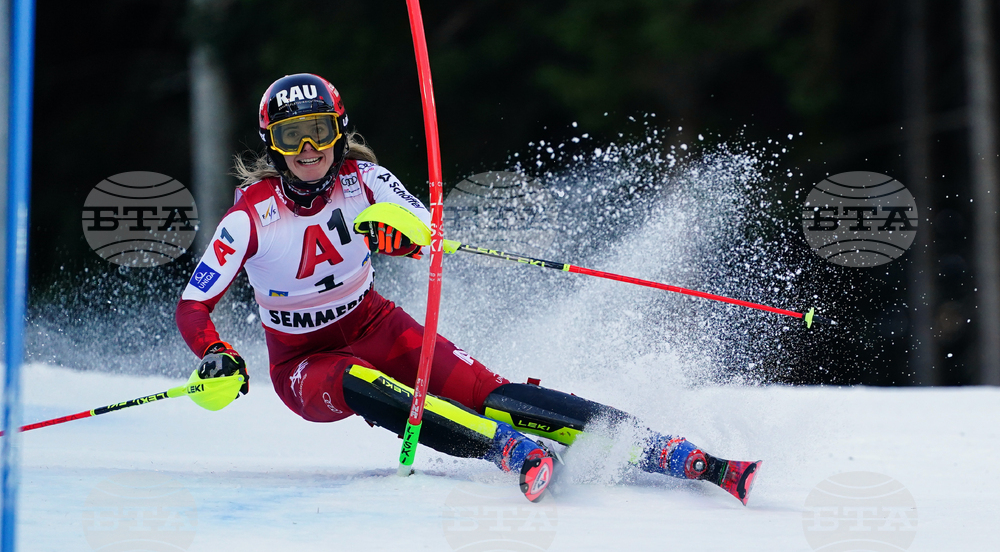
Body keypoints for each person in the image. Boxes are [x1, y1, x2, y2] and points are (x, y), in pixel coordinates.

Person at [176, 72, 761, 504]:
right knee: (362, 382)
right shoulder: (251, 217)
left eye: (319, 132)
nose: (308, 150)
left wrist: (404, 237)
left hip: (376, 324)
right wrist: (217, 353)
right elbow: (193, 307)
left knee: (492, 391)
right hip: (304, 364)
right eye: (291, 136)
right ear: (272, 144)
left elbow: (428, 233)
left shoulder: (367, 180)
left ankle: (666, 448)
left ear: (339, 132)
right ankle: (503, 449)